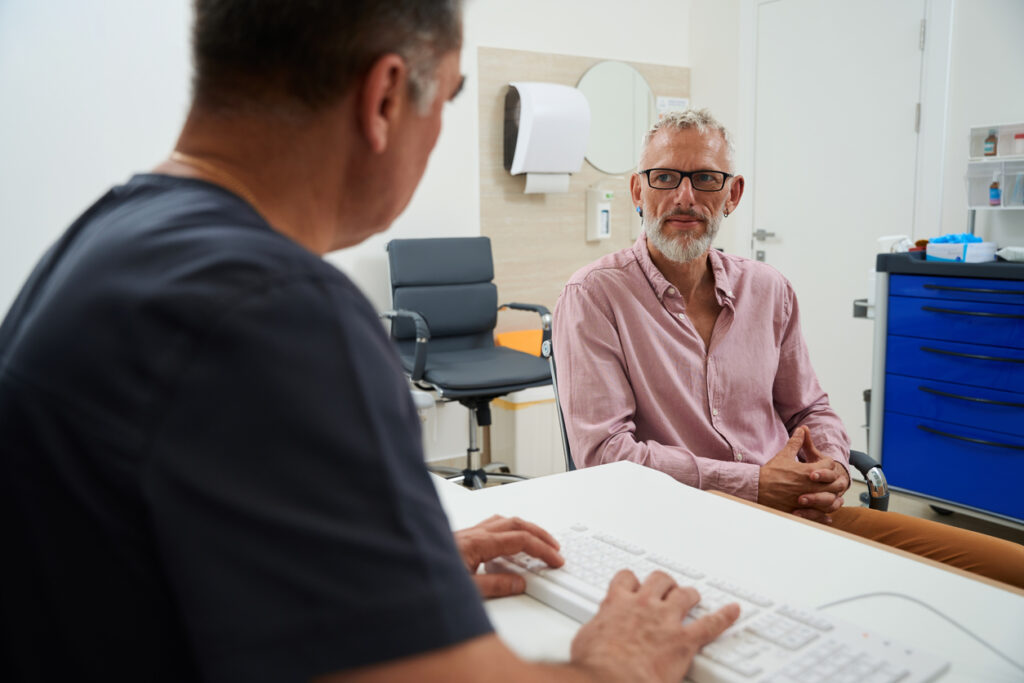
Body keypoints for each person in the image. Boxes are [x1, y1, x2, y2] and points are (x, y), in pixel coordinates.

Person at [0, 4, 739, 682]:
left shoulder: (109, 236)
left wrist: (368, 572)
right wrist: (616, 662)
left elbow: (144, 555)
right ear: (385, 96)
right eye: (448, 99)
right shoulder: (278, 312)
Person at [553, 108, 1024, 588]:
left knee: (1006, 570)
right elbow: (604, 454)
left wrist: (833, 466)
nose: (685, 197)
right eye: (666, 177)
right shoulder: (594, 296)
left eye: (706, 179)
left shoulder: (769, 289)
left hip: (796, 512)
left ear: (732, 195)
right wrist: (753, 484)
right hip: (685, 534)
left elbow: (810, 409)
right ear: (638, 191)